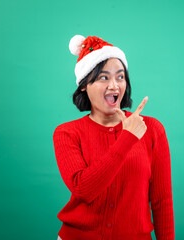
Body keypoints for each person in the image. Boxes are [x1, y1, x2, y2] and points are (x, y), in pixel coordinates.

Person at [52, 35, 175, 240]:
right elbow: (84, 189)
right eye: (103, 77)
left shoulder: (152, 129)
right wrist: (127, 137)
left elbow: (162, 201)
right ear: (84, 84)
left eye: (120, 77)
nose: (114, 85)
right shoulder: (67, 133)